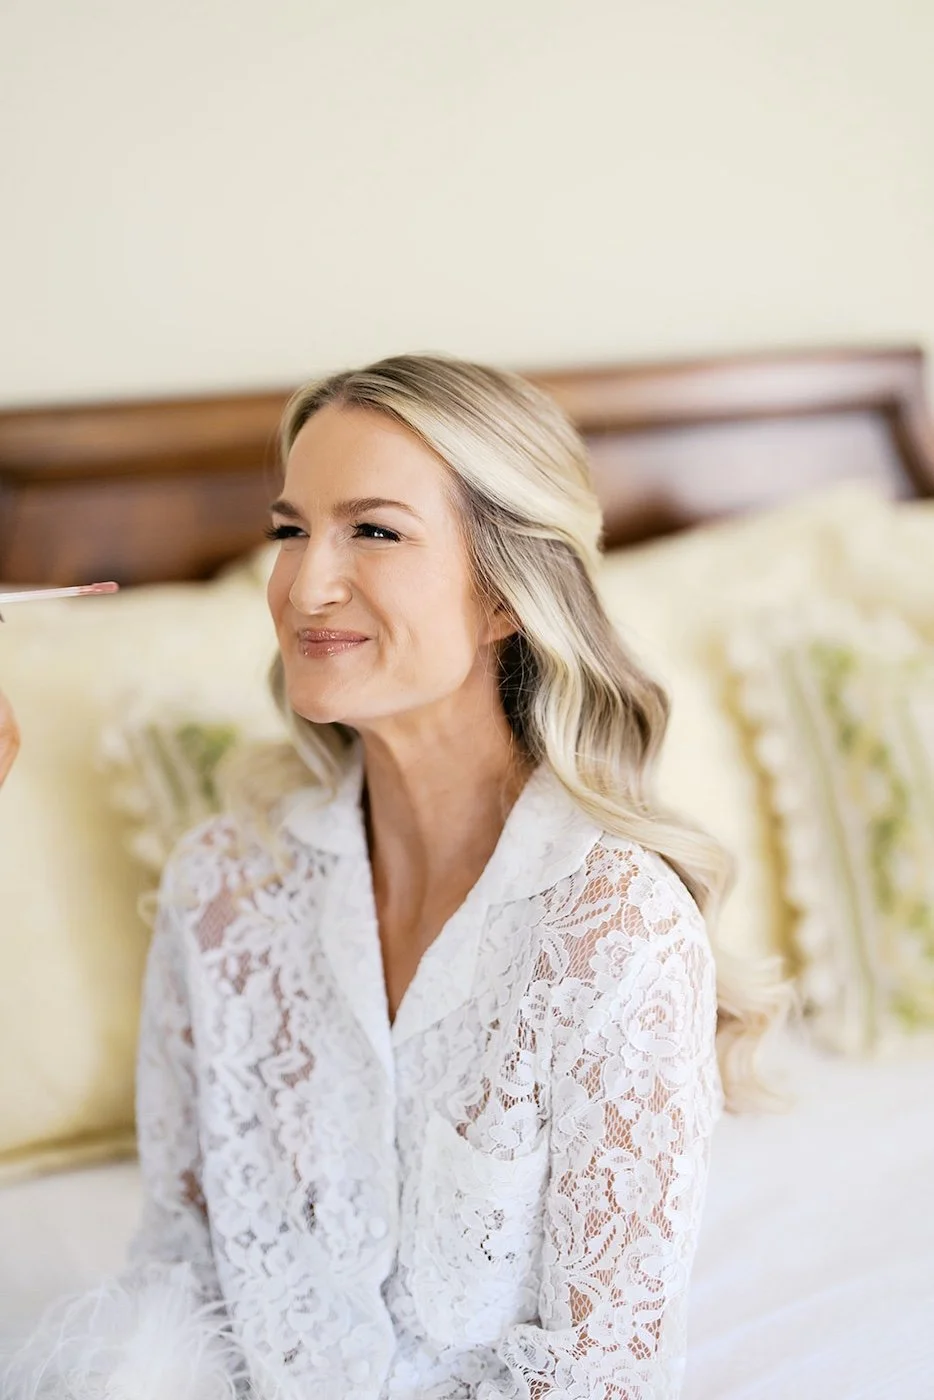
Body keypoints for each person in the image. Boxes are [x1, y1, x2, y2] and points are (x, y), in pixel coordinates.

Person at [0, 354, 793, 1400]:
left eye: (372, 529)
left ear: (508, 593)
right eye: (291, 527)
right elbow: (181, 1278)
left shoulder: (614, 933)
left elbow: (600, 1378)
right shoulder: (221, 892)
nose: (301, 581)